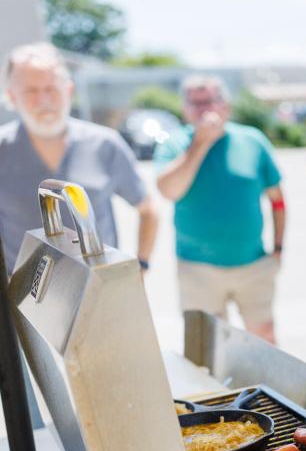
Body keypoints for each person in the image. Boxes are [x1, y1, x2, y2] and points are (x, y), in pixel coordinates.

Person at [0, 42, 158, 277]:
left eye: (52, 89)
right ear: (11, 96)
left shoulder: (105, 144)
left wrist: (141, 267)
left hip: (99, 291)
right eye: (31, 91)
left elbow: (148, 210)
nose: (44, 100)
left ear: (69, 91)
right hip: (23, 297)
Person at [155, 75, 285, 344]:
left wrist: (278, 248)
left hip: (253, 265)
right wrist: (200, 143)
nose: (204, 109)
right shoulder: (174, 145)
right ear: (185, 109)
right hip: (197, 269)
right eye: (195, 103)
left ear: (225, 105)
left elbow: (278, 199)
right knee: (208, 347)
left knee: (265, 339)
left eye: (210, 101)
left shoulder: (252, 141)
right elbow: (169, 190)